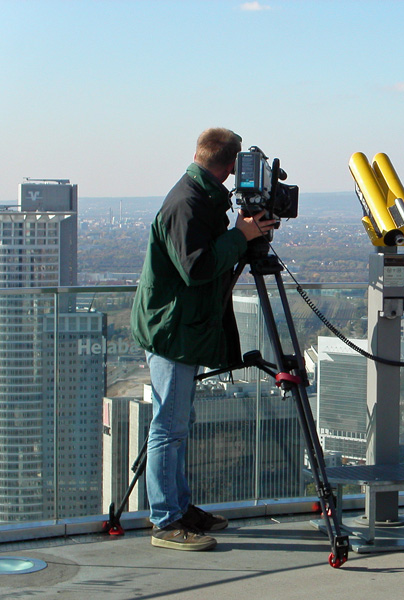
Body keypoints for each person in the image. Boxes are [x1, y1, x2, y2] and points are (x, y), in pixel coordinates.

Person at [130, 127, 275, 550]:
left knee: (177, 424)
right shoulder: (187, 204)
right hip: (172, 331)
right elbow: (196, 268)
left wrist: (242, 235)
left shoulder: (198, 198)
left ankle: (179, 508)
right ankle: (166, 520)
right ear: (230, 167)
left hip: (180, 326)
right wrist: (241, 236)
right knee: (168, 428)